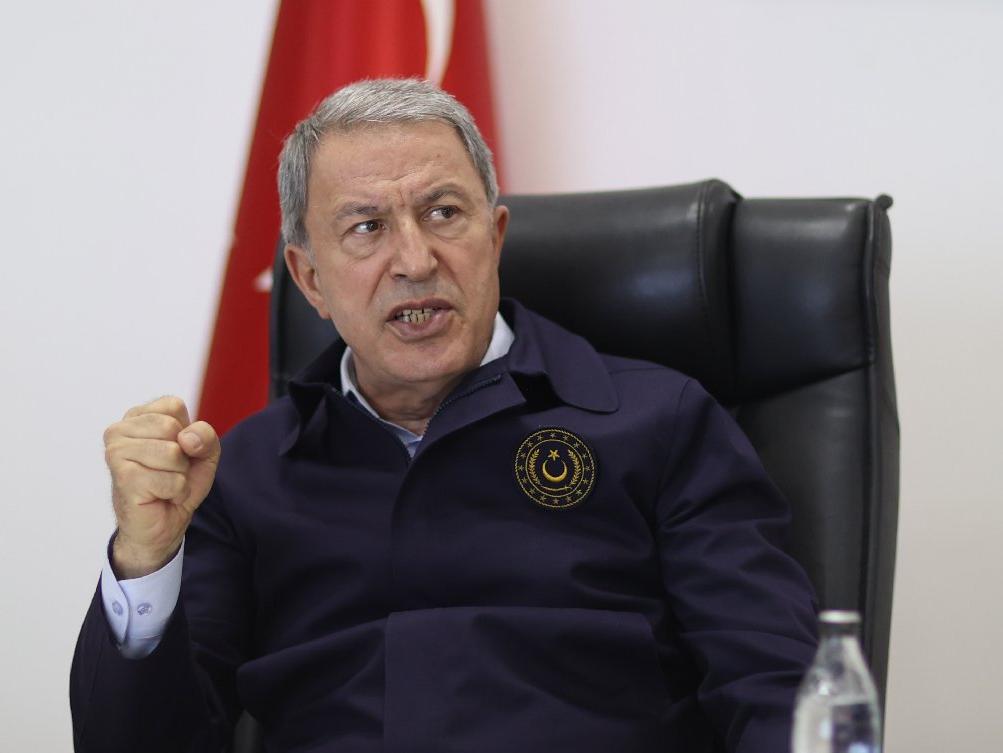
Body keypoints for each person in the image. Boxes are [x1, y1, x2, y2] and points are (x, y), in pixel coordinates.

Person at [70, 78, 818, 753]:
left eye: (443, 213)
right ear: (309, 279)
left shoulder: (660, 421)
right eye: (366, 227)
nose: (416, 259)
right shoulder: (242, 473)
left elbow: (774, 689)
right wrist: (145, 561)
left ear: (494, 237)